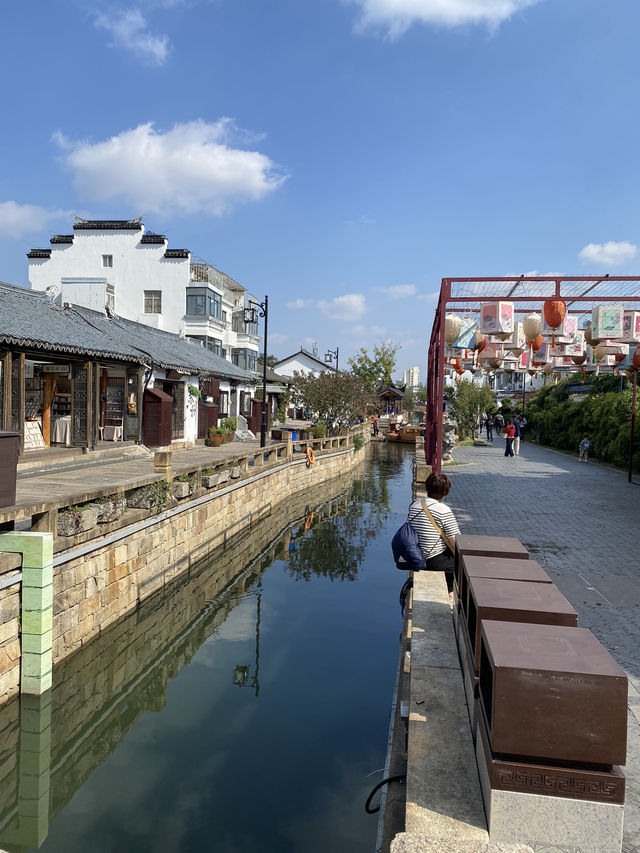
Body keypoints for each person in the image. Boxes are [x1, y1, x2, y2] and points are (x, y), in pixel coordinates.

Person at [407, 472, 460, 592]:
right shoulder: (444, 510)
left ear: (427, 488)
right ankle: (451, 594)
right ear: (445, 493)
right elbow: (454, 542)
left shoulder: (414, 505)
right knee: (462, 567)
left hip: (415, 556)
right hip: (433, 560)